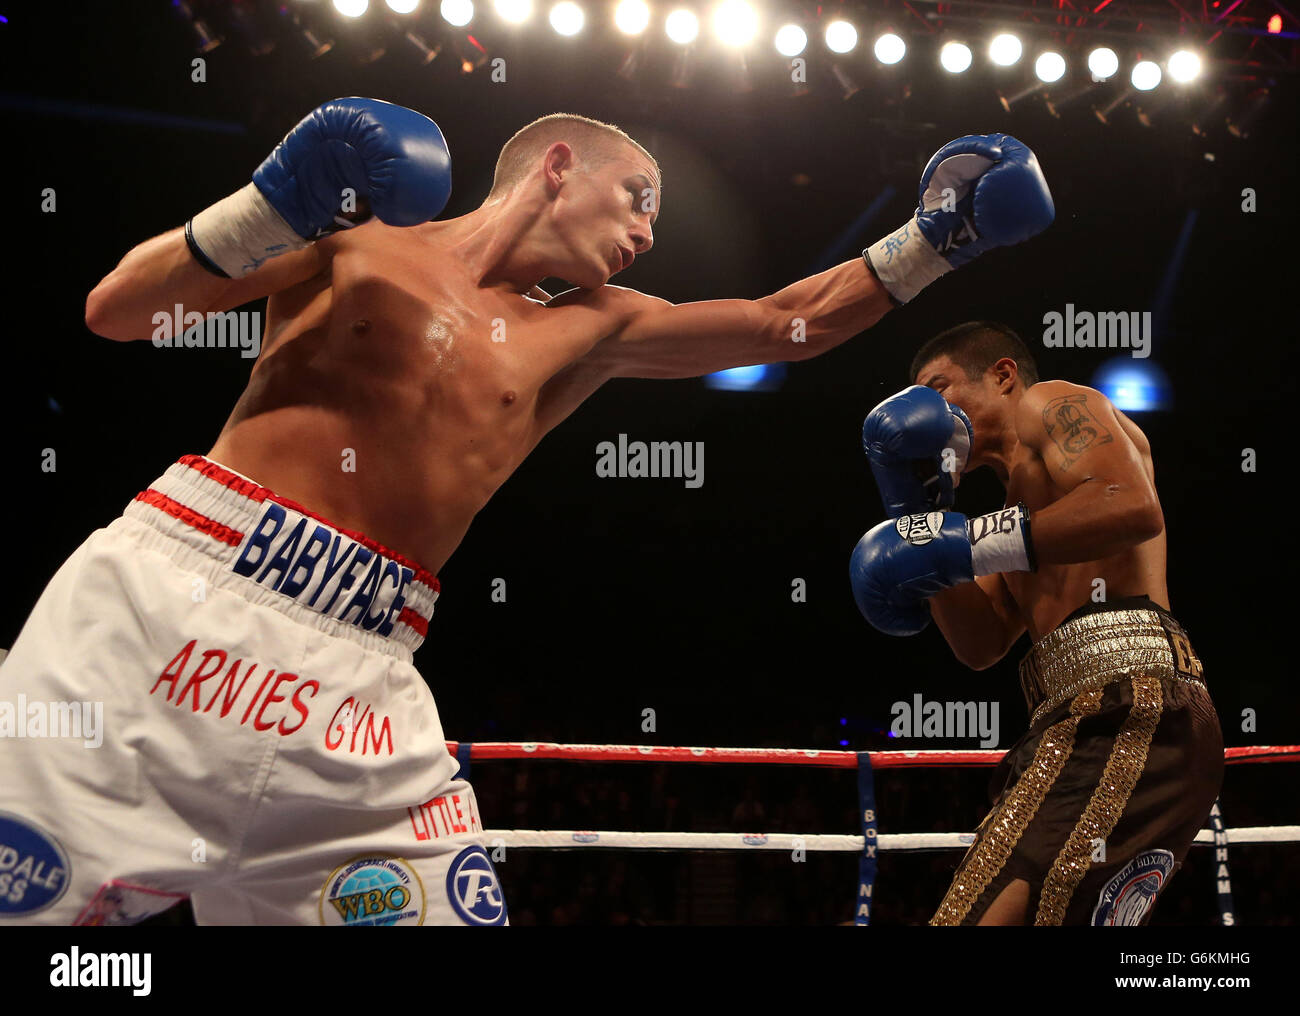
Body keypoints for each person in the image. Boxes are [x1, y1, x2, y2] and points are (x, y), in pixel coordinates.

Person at [0, 97, 1052, 925]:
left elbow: (789, 323)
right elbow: (122, 309)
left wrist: (936, 237)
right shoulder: (356, 238)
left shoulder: (590, 329)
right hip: (171, 599)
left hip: (360, 673)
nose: (647, 231)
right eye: (638, 197)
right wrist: (275, 197)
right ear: (557, 167)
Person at [849, 321, 1223, 925]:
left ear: (1002, 376)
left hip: (1130, 703)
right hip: (1075, 720)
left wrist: (963, 545)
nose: (929, 413)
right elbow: (981, 645)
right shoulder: (1010, 521)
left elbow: (1129, 503)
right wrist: (920, 522)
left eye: (939, 389)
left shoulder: (1052, 403)